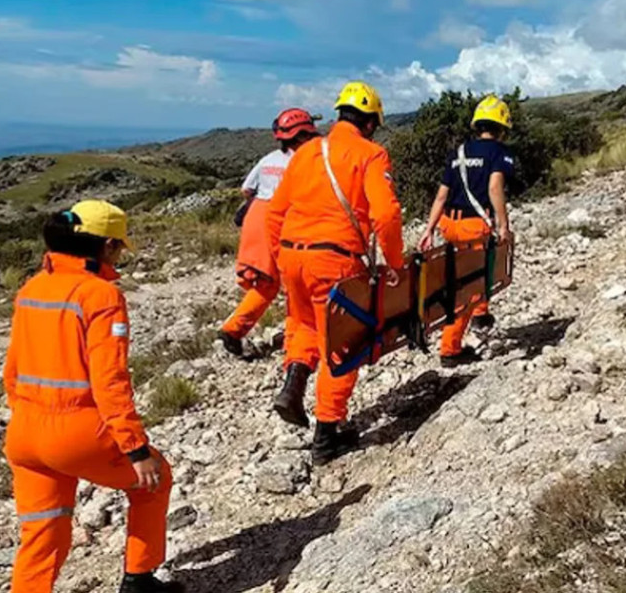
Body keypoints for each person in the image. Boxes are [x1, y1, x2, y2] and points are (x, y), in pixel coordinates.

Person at [3, 201, 181, 593]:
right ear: (105, 247)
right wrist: (136, 449)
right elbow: (110, 380)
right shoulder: (99, 295)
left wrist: (29, 416)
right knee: (154, 481)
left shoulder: (32, 288)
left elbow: (12, 371)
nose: (119, 255)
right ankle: (139, 581)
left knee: (42, 535)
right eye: (118, 247)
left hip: (24, 434)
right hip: (77, 432)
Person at [264, 81, 406, 464]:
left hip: (293, 256)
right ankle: (326, 435)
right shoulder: (372, 155)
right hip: (335, 260)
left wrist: (280, 260)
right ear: (372, 122)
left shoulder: (307, 151)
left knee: (305, 324)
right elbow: (386, 214)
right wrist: (394, 263)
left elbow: (275, 213)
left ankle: (294, 380)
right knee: (345, 344)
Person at [418, 95, 516, 368]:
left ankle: (481, 313)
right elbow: (495, 188)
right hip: (475, 225)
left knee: (471, 272)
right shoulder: (500, 153)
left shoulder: (458, 153)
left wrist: (428, 229)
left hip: (450, 224)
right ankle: (450, 349)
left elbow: (440, 196)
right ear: (502, 126)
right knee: (469, 287)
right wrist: (503, 224)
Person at [219, 109, 320, 356]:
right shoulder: (303, 160)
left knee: (265, 282)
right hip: (280, 219)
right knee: (293, 282)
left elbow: (246, 189)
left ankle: (234, 329)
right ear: (303, 135)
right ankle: (296, 340)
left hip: (256, 216)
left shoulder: (269, 158)